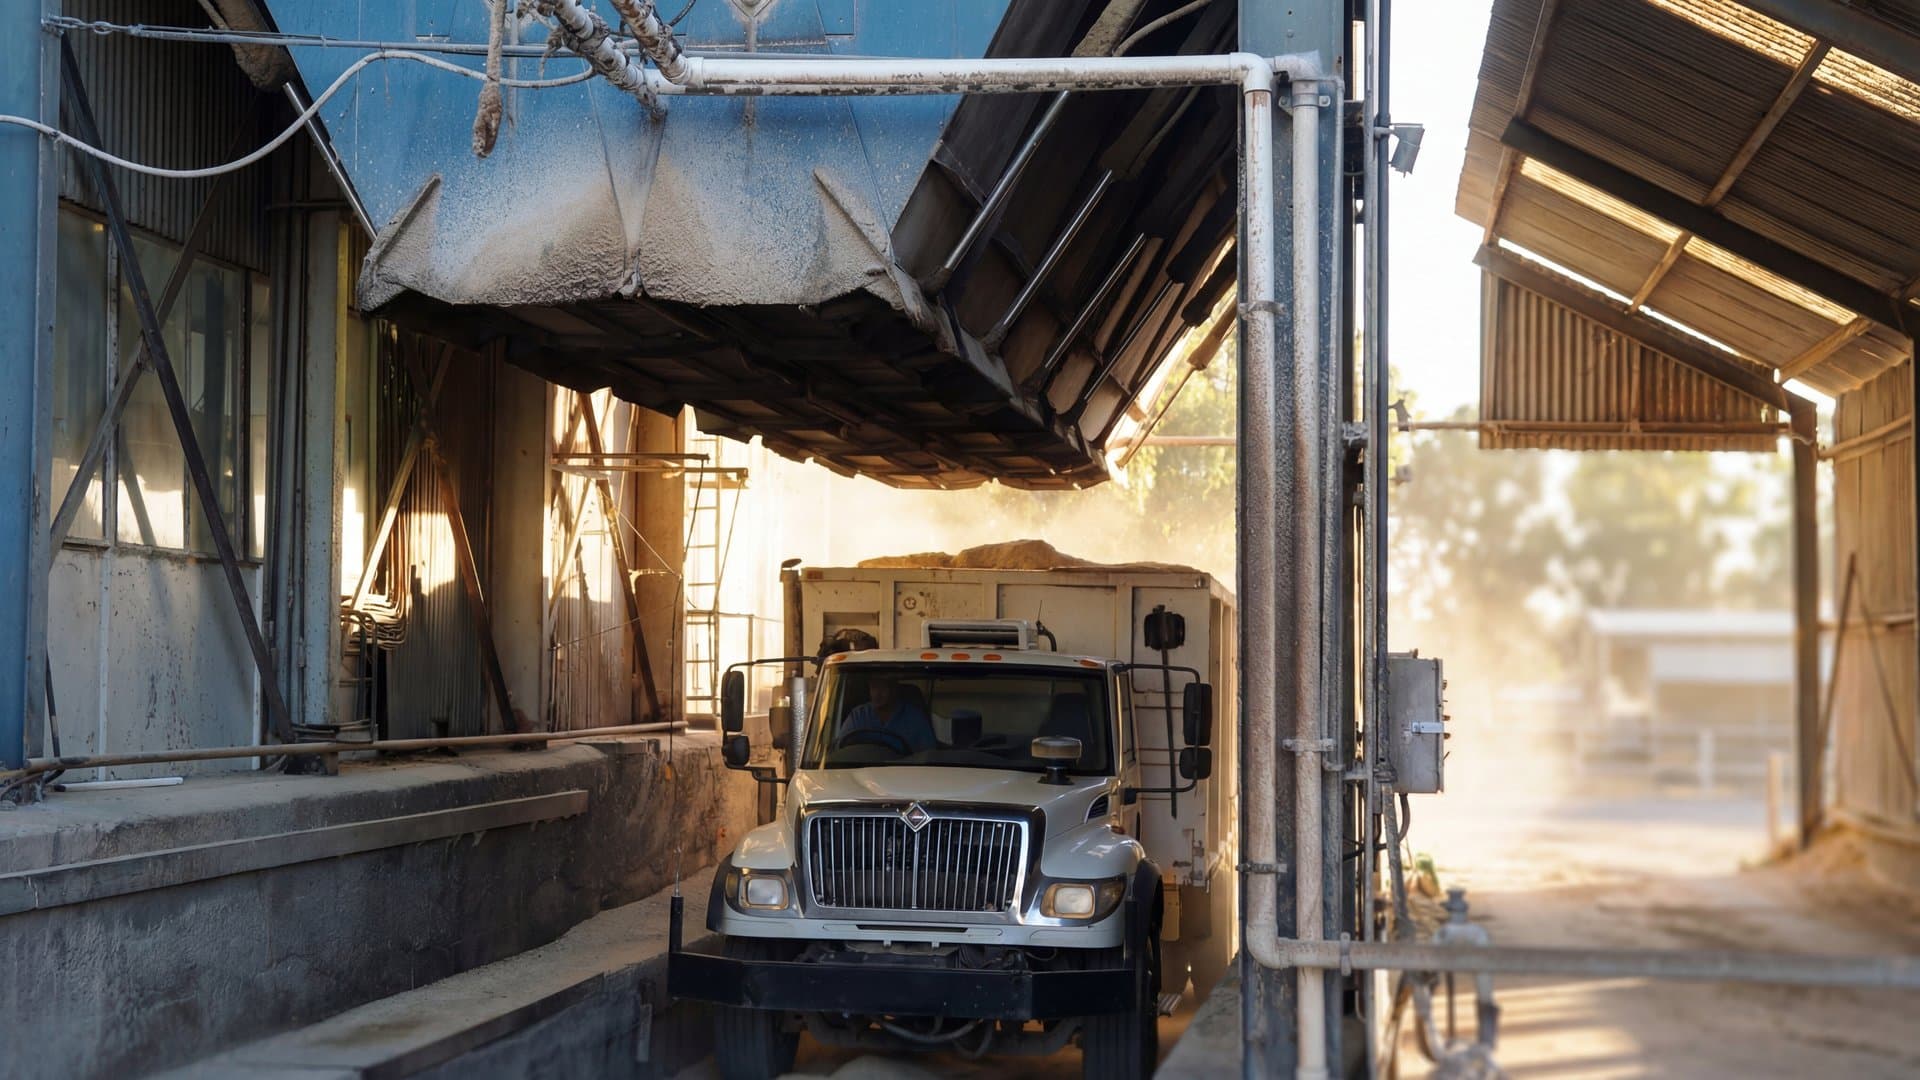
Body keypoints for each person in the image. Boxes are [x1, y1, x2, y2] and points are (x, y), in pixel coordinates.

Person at [842, 675, 935, 753]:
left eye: (883, 688)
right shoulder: (858, 716)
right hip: (862, 771)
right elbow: (840, 749)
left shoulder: (915, 718)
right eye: (874, 687)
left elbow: (928, 755)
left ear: (894, 689)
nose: (877, 694)